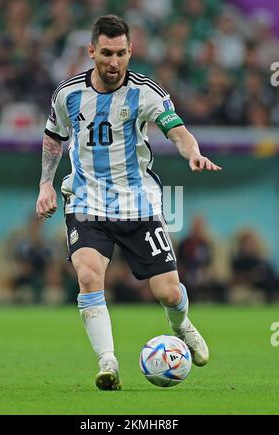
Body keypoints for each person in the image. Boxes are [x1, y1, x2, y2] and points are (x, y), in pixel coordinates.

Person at [36, 15, 222, 391]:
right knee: (88, 276)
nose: (114, 62)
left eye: (121, 53)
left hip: (138, 205)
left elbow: (178, 130)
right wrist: (46, 185)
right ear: (91, 51)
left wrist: (193, 153)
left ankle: (182, 325)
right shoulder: (67, 94)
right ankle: (108, 363)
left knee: (168, 292)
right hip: (87, 202)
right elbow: (54, 138)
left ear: (130, 51)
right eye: (106, 53)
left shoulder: (147, 92)